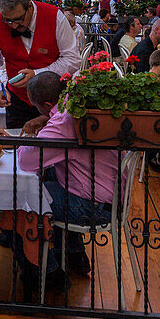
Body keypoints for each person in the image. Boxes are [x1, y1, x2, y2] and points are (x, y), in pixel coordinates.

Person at [17, 71, 118, 290]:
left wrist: (20, 140)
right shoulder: (75, 104)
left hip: (93, 206)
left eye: (37, 107)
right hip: (110, 194)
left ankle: (48, 274)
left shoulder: (63, 121)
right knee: (51, 173)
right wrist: (47, 118)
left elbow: (26, 160)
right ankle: (74, 255)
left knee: (18, 201)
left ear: (45, 104)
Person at [0, 0, 80, 129]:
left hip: (53, 102)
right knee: (16, 149)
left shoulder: (55, 16)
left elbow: (72, 58)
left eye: (18, 19)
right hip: (17, 102)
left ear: (30, 6)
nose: (13, 26)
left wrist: (37, 75)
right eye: (8, 21)